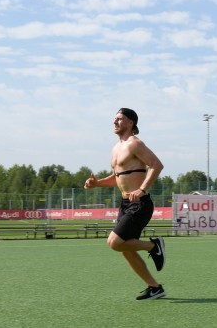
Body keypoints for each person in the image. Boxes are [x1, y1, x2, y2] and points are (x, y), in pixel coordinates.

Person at [84, 107, 167, 301]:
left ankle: (153, 246)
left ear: (130, 123)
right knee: (125, 248)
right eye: (114, 119)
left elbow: (157, 165)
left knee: (114, 242)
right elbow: (117, 177)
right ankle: (154, 287)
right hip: (125, 204)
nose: (114, 122)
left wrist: (142, 189)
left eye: (119, 119)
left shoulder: (135, 144)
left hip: (140, 203)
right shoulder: (116, 148)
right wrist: (97, 184)